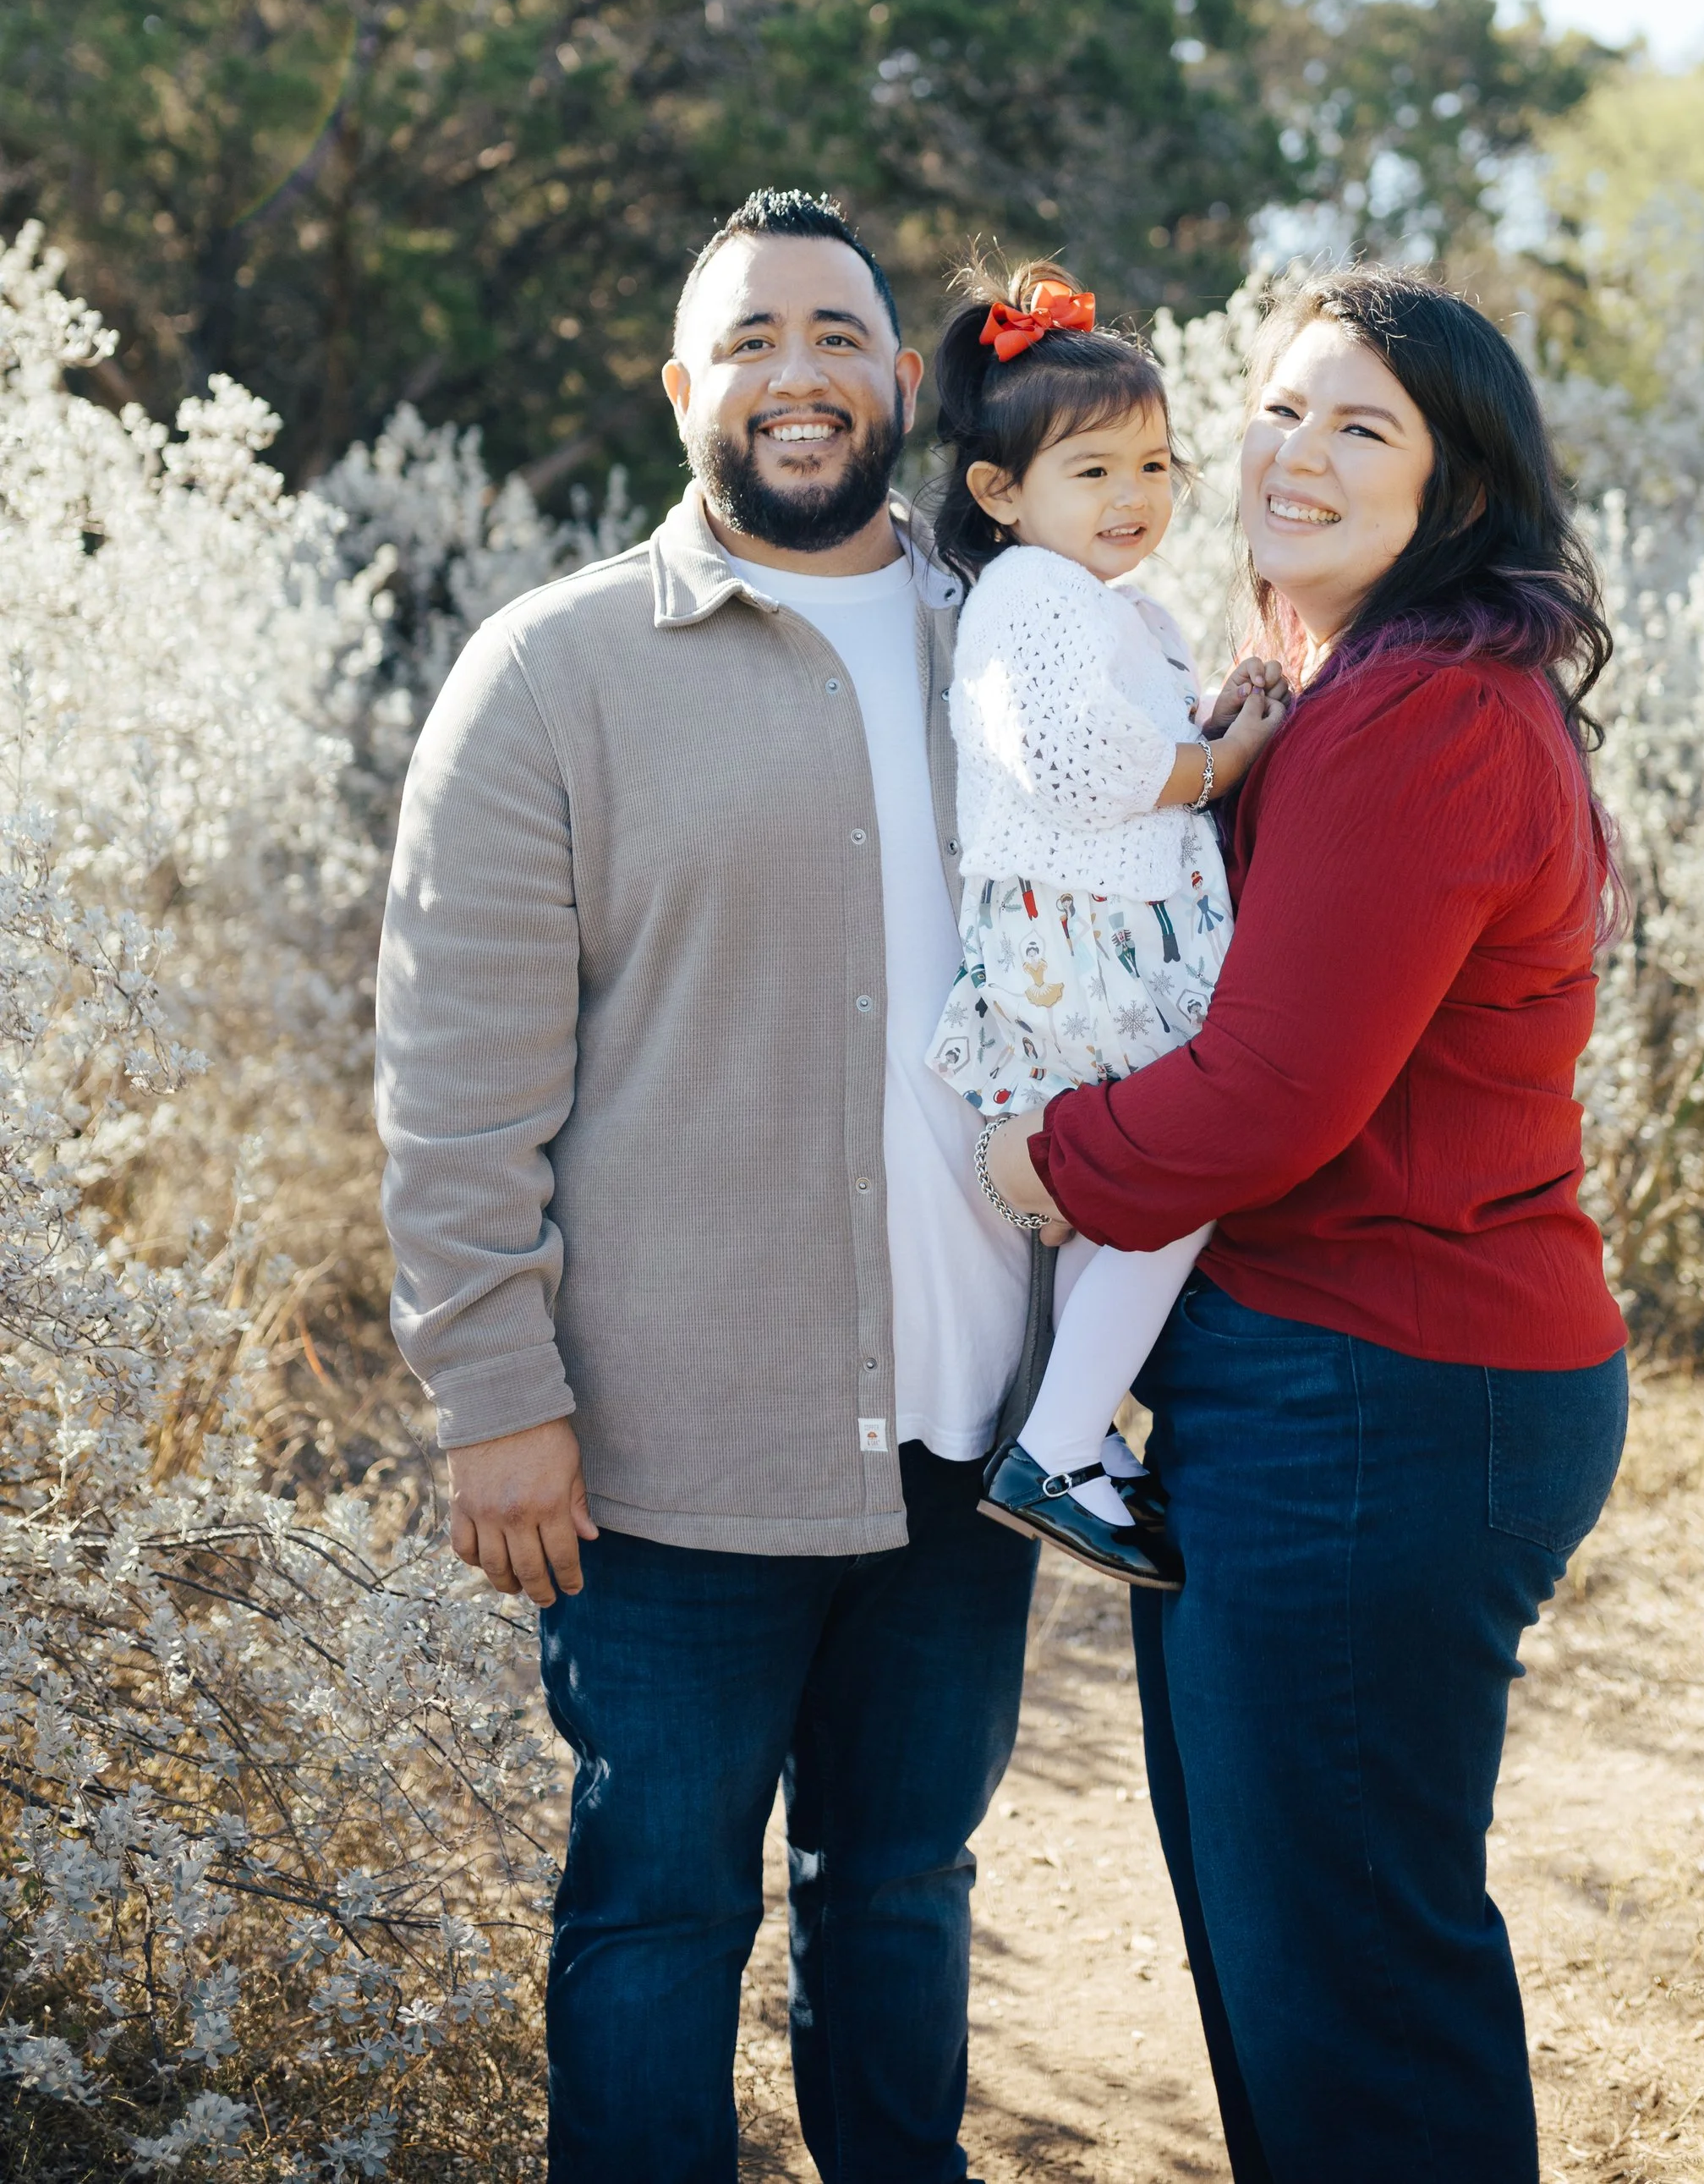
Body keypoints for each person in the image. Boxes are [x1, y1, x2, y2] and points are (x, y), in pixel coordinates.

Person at [375, 188, 1043, 2184]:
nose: (797, 374)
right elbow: (453, 1077)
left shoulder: (1016, 643)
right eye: (749, 340)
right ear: (685, 389)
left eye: (836, 334)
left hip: (962, 1436)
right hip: (666, 1455)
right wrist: (496, 1400)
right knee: (658, 1911)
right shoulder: (553, 673)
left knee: (904, 1891)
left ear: (901, 381)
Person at [981, 267, 1632, 2184]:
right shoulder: (1346, 694)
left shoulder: (1424, 713)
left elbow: (1271, 1095)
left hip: (1385, 1401)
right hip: (1335, 1394)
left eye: (1364, 426)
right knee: (1285, 1964)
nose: (1296, 453)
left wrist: (1053, 1165)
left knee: (1346, 1984)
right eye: (1275, 408)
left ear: (1456, 488)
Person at [918, 261, 1288, 1589]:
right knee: (1171, 1175)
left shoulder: (1108, 603)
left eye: (1154, 464)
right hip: (1085, 949)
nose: (1135, 497)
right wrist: (1218, 770)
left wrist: (1214, 717)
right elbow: (1078, 771)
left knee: (1131, 1198)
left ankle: (1075, 1430)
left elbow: (1119, 746)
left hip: (1109, 932)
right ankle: (1063, 1439)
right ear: (1001, 493)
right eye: (1095, 471)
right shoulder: (1027, 595)